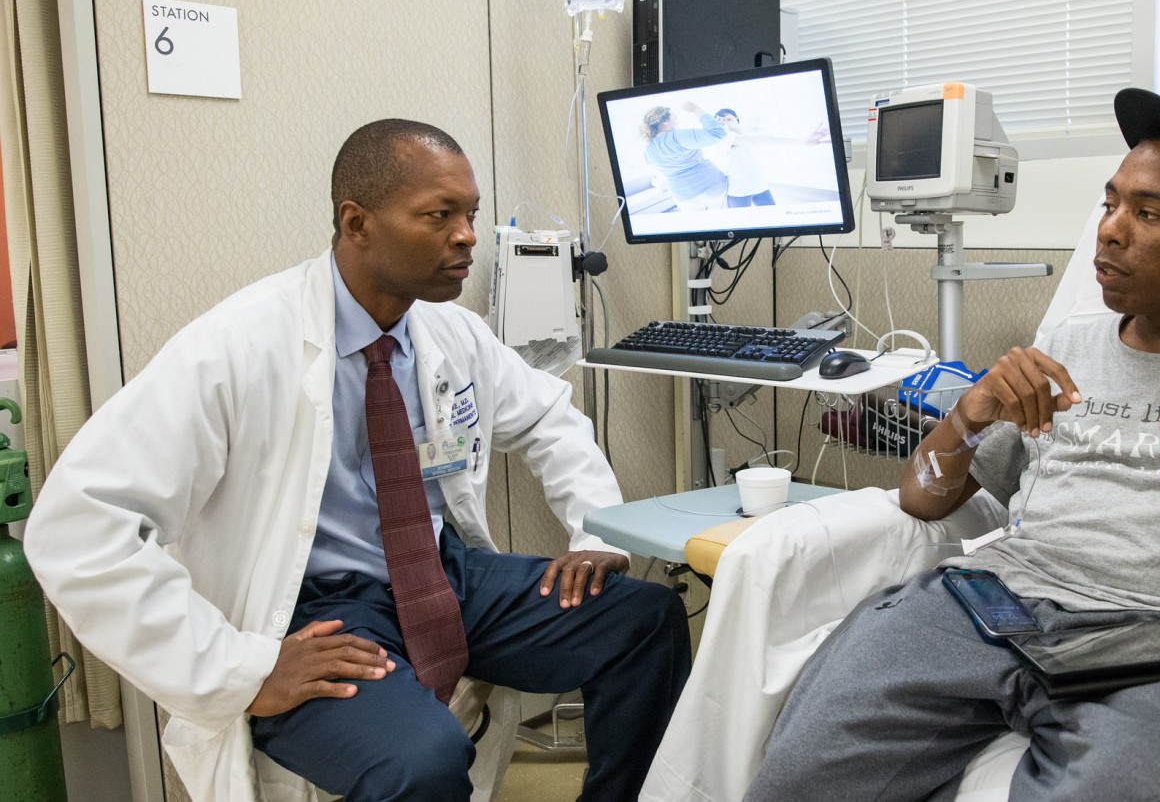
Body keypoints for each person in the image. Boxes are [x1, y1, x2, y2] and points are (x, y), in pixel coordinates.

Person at [740, 89, 1160, 801]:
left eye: (1148, 213)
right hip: (989, 605)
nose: (1109, 231)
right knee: (797, 777)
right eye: (1110, 203)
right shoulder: (1064, 347)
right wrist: (971, 412)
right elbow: (923, 494)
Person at [24, 119, 691, 802]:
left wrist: (594, 533)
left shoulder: (449, 330)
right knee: (421, 760)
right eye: (440, 215)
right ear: (357, 222)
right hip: (319, 606)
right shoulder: (238, 347)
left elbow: (549, 416)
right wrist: (244, 668)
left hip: (439, 574)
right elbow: (76, 527)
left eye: (471, 215)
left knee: (645, 621)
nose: (465, 235)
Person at [712, 108, 830, 207]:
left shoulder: (750, 136)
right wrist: (802, 140)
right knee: (741, 228)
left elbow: (767, 140)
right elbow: (757, 139)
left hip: (761, 187)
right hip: (738, 192)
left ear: (736, 118)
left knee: (776, 223)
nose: (723, 121)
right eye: (719, 120)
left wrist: (804, 141)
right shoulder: (723, 138)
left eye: (727, 118)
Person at [641, 102, 729, 211]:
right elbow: (718, 133)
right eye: (675, 118)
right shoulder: (677, 136)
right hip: (711, 187)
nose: (678, 121)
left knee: (701, 227)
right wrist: (695, 108)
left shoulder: (648, 150)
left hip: (683, 197)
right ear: (664, 121)